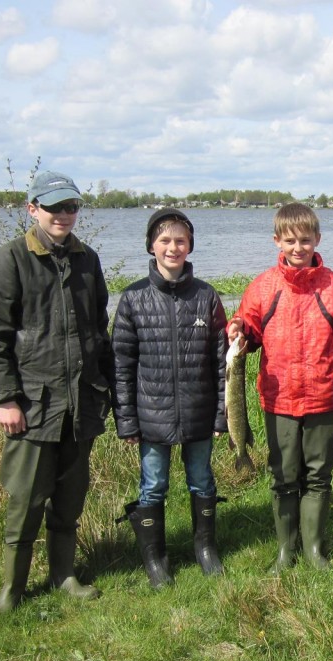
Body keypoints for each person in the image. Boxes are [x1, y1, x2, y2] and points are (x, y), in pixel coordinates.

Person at [0, 170, 112, 611]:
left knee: (70, 498)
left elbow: (98, 331)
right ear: (32, 209)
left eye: (71, 206)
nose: (64, 215)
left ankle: (64, 575)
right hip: (33, 405)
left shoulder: (88, 259)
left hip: (81, 404)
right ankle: (12, 589)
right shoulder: (11, 260)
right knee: (26, 500)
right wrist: (5, 398)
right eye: (54, 207)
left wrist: (108, 391)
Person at [227, 203, 333, 573]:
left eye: (305, 240)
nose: (298, 247)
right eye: (290, 241)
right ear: (277, 241)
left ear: (317, 239)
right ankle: (285, 550)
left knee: (319, 476)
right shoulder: (263, 287)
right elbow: (249, 328)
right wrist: (238, 328)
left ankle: (314, 550)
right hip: (280, 401)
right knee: (284, 476)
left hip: (325, 396)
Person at [112, 208, 228, 588]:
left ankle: (205, 550)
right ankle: (155, 560)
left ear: (190, 246)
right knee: (153, 485)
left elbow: (222, 362)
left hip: (198, 411)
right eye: (165, 240)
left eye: (180, 240)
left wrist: (221, 414)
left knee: (202, 481)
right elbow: (122, 366)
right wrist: (126, 421)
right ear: (151, 246)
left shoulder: (206, 296)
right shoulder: (133, 298)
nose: (172, 247)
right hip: (151, 415)